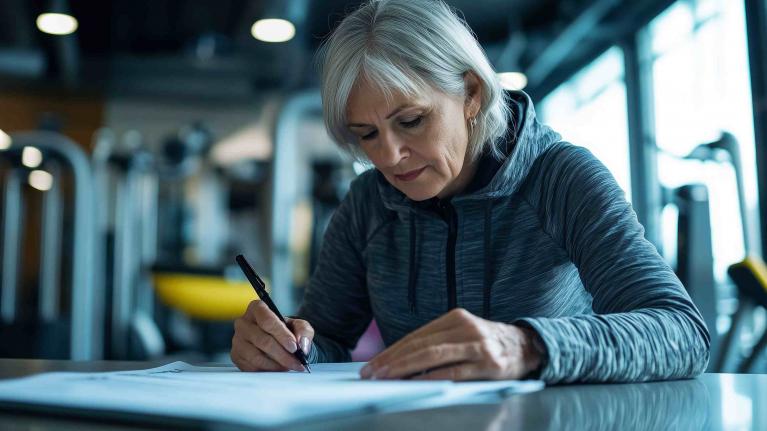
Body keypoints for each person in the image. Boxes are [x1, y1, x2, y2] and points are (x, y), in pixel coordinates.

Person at [230, 0, 710, 383]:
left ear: (472, 93)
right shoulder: (367, 204)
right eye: (367, 134)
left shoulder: (562, 179)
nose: (389, 156)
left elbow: (682, 333)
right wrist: (287, 346)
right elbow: (328, 339)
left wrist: (526, 346)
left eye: (411, 121)